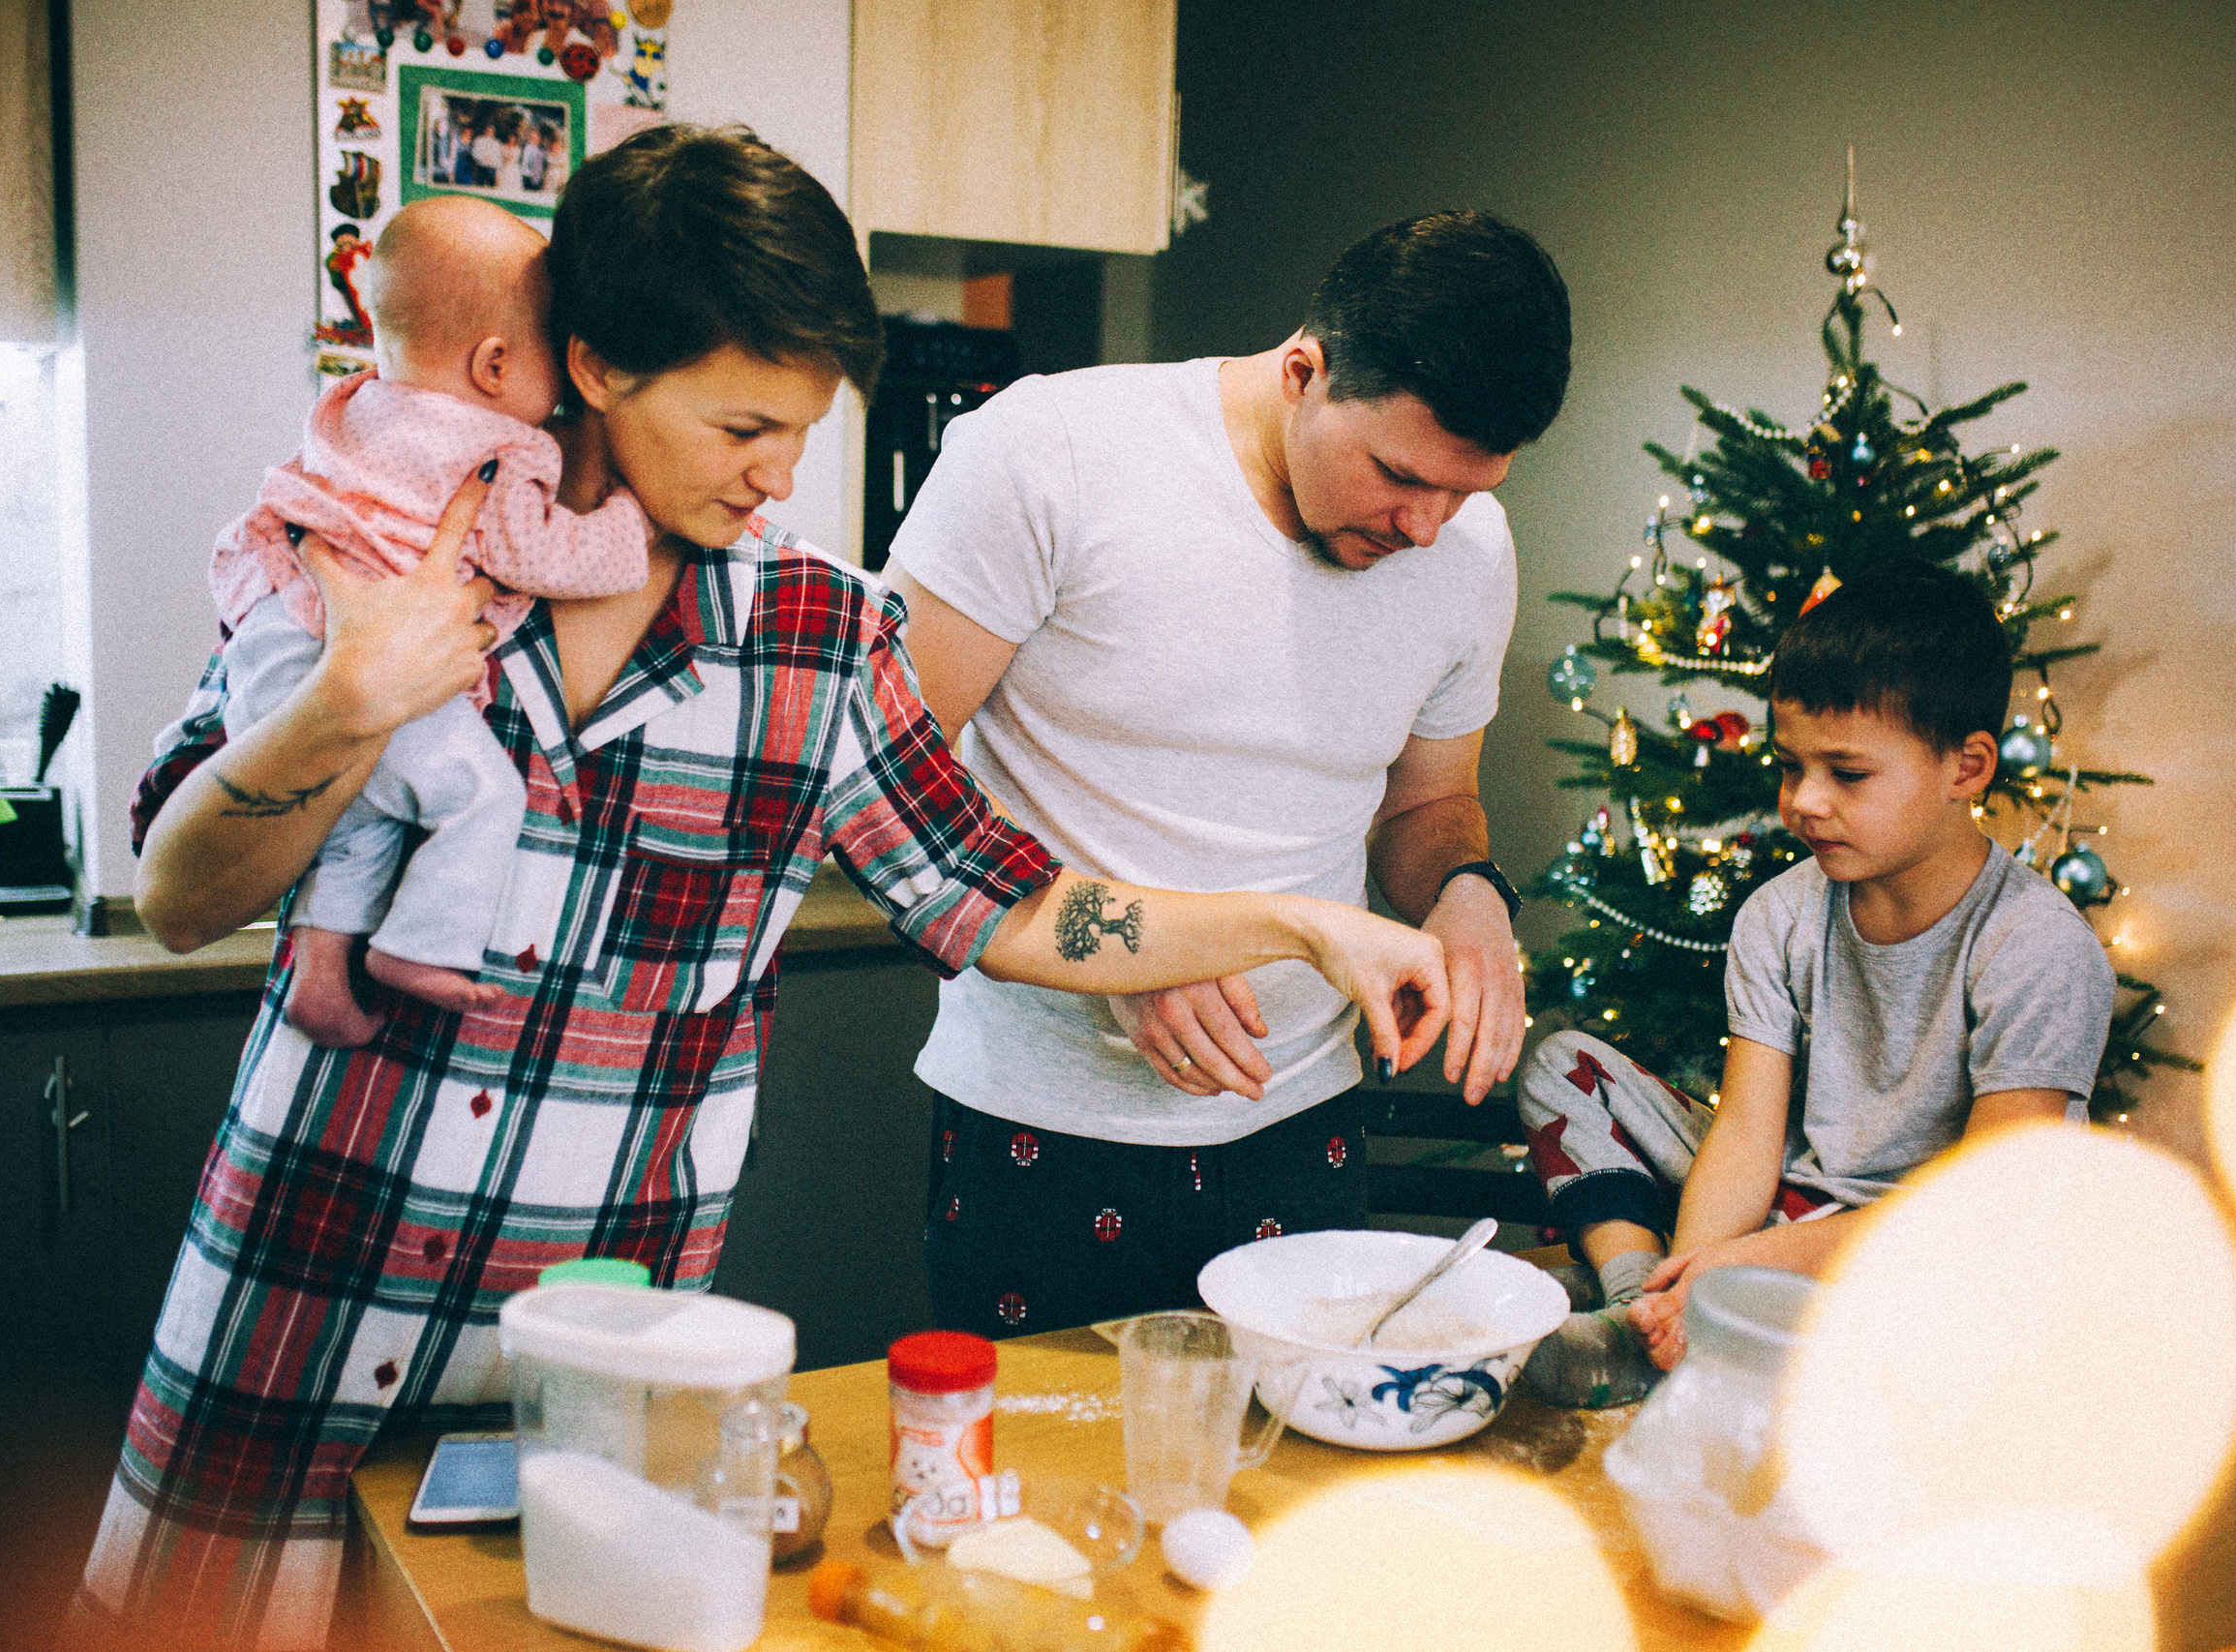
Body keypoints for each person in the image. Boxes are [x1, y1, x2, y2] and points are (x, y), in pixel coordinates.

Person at [75, 124, 1450, 1650]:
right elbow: (178, 894)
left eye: (804, 428)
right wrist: (344, 697)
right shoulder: (378, 540)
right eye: (742, 426)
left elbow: (1009, 900)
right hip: (297, 1306)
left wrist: (1306, 922)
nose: (781, 474)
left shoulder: (816, 634)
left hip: (600, 1376)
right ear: (596, 365)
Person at [889, 210, 1573, 1337]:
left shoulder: (1467, 549)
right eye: (1400, 476)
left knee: (1281, 1491)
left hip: (1302, 1120)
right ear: (1303, 370)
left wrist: (1467, 893)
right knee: (1047, 1491)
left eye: (1467, 491)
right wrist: (1134, 949)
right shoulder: (1050, 452)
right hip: (1040, 1124)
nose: (1424, 526)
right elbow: (890, 787)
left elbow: (1431, 805)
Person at [1515, 562, 2115, 1408]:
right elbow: (1746, 1138)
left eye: (1848, 772)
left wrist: (1740, 1269)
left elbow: (1979, 1211)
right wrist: (1691, 1287)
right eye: (1791, 765)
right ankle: (1637, 1306)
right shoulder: (1781, 915)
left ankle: (1690, 1319)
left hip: (1935, 1241)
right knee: (1562, 1065)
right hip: (1793, 1205)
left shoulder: (2038, 946)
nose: (1804, 801)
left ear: (1968, 767)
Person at [213, 194, 652, 1047]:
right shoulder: (492, 448)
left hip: (270, 627)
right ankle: (415, 946)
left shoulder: (356, 407)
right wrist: (624, 524)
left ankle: (317, 973)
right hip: (344, 651)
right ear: (493, 365)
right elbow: (540, 553)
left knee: (366, 807)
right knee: (480, 793)